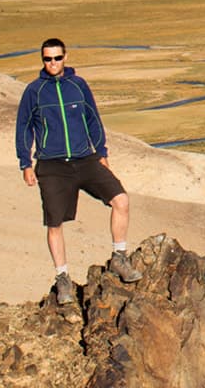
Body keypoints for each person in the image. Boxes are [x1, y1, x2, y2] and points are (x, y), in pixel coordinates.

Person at [15, 37, 141, 304]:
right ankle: (63, 279)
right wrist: (25, 163)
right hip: (52, 165)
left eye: (57, 58)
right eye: (47, 59)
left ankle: (119, 256)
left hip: (85, 160)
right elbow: (24, 128)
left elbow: (93, 119)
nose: (52, 63)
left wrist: (101, 152)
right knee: (54, 223)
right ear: (42, 61)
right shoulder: (34, 91)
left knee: (121, 200)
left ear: (65, 57)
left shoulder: (78, 86)